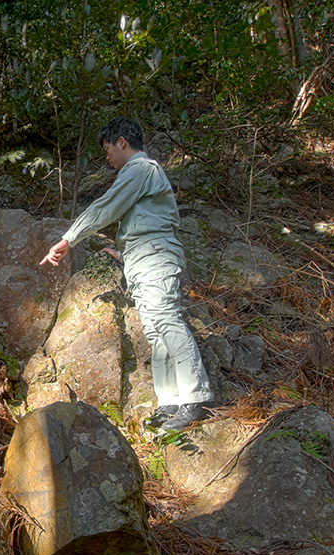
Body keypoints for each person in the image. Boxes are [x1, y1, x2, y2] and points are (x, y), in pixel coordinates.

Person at [40, 117, 213, 430]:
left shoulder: (141, 168)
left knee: (164, 319)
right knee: (155, 330)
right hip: (141, 258)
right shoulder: (143, 176)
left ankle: (195, 396)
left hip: (155, 256)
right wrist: (123, 252)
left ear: (122, 141)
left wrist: (69, 238)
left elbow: (108, 207)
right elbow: (144, 219)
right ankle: (169, 402)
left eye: (108, 148)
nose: (107, 156)